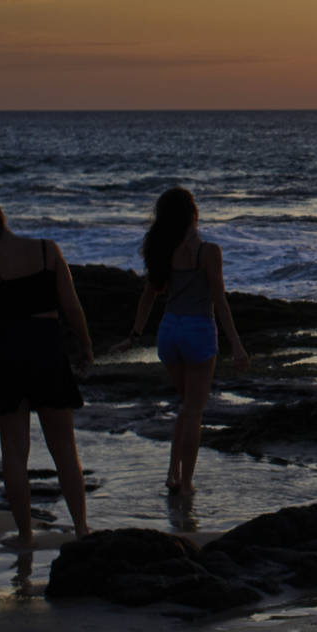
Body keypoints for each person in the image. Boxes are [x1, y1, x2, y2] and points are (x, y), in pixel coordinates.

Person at [0, 195, 93, 546]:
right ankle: (81, 528)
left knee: (14, 453)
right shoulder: (48, 250)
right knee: (65, 448)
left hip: (8, 352)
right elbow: (72, 307)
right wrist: (85, 345)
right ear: (1, 217)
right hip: (47, 348)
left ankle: (25, 535)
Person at [115, 187, 248, 495]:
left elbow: (149, 295)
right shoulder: (208, 252)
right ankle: (185, 483)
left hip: (169, 332)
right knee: (194, 410)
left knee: (186, 407)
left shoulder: (164, 251)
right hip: (198, 330)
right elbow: (220, 302)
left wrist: (133, 335)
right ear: (193, 214)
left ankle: (173, 473)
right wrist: (237, 345)